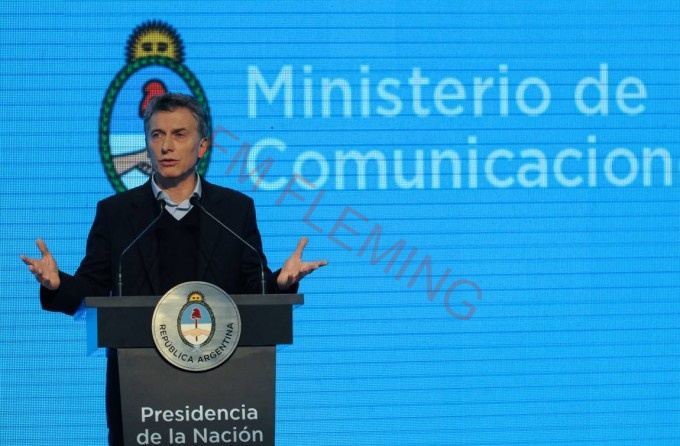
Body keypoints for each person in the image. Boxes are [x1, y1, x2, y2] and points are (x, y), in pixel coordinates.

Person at [20, 92, 327, 445]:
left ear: (202, 146)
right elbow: (92, 288)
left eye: (179, 134)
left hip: (222, 400)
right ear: (147, 144)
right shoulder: (116, 213)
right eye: (157, 135)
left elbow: (252, 291)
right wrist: (57, 284)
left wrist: (281, 283)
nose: (167, 146)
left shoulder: (233, 211)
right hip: (139, 398)